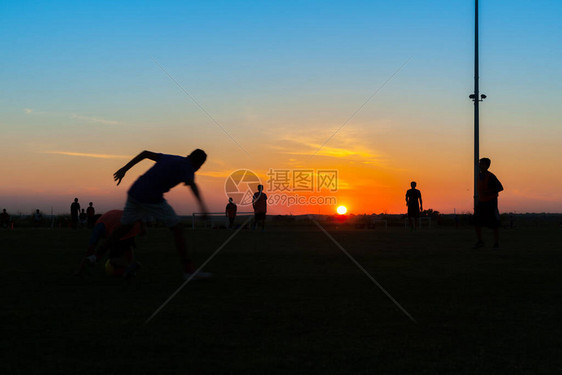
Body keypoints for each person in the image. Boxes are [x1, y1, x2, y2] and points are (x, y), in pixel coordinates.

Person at [89, 149, 211, 280]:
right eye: (200, 166)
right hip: (151, 197)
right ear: (198, 163)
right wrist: (203, 208)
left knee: (124, 227)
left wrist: (124, 169)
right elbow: (192, 185)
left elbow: (145, 153)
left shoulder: (172, 158)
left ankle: (96, 256)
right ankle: (188, 270)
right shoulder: (188, 167)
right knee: (177, 229)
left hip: (135, 192)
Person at [75, 210, 143, 277]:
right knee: (127, 247)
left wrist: (80, 270)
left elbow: (91, 249)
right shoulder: (108, 216)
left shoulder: (98, 225)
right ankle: (130, 269)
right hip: (134, 226)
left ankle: (129, 266)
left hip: (120, 229)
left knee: (112, 259)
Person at [474, 157, 504, 249]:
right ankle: (480, 242)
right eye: (480, 163)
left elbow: (500, 187)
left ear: (487, 166)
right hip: (482, 202)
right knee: (476, 222)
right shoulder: (479, 175)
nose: (480, 165)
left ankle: (496, 243)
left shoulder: (491, 176)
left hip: (491, 202)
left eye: (482, 164)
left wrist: (489, 192)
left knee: (494, 224)